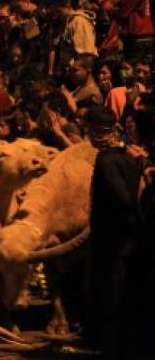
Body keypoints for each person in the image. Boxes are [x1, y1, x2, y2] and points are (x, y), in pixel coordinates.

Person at [85, 105, 145, 358]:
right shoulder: (132, 155)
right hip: (131, 239)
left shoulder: (106, 160)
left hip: (112, 241)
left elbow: (124, 197)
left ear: (95, 131)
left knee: (111, 296)